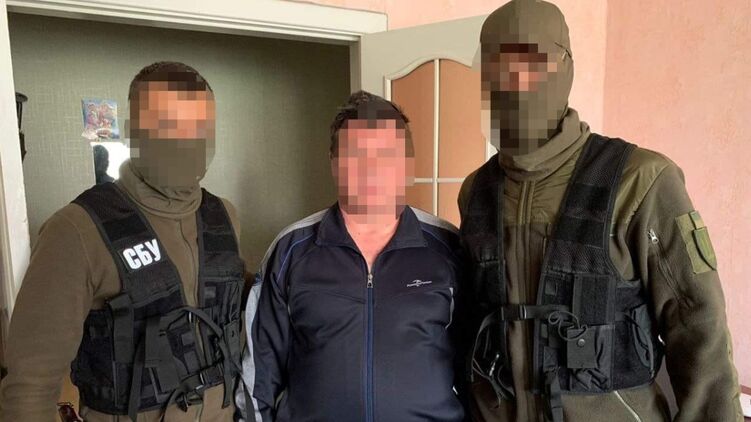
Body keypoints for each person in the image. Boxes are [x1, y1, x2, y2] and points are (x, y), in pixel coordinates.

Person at [458, 1, 743, 421]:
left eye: (531, 64)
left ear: (565, 68)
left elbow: (699, 326)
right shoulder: (476, 192)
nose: (514, 83)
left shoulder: (640, 180)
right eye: (497, 66)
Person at [0, 61, 245, 422]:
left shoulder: (225, 216)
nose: (186, 140)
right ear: (133, 132)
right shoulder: (76, 230)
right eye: (168, 125)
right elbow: (29, 389)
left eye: (199, 127)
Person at [236, 90, 466, 422]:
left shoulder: (447, 248)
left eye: (386, 153)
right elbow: (258, 375)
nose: (371, 168)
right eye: (355, 153)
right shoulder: (290, 251)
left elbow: (476, 371)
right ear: (334, 163)